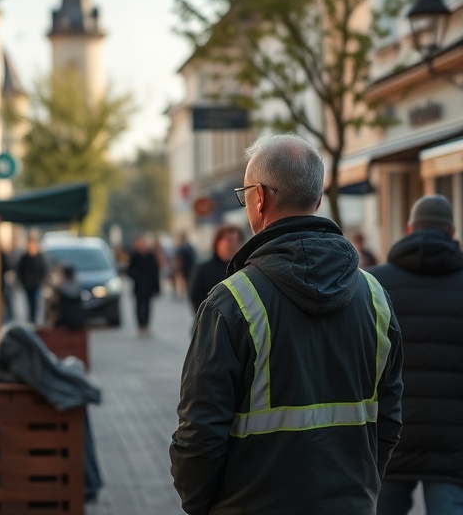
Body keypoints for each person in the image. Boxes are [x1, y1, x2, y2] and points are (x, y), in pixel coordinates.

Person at [170, 133, 403, 514]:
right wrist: (359, 487)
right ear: (318, 198)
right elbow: (389, 417)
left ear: (260, 197)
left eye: (244, 194)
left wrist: (202, 504)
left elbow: (199, 433)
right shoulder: (375, 296)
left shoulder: (231, 302)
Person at [367, 194, 463, 515]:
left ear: (409, 229)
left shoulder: (374, 285)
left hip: (389, 432)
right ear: (452, 232)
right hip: (457, 437)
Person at [187, 224, 242, 314]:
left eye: (237, 241)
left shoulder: (243, 270)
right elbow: (195, 297)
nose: (232, 245)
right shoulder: (204, 269)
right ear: (217, 242)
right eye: (229, 240)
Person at [126, 233, 161, 336]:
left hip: (148, 287)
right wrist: (136, 275)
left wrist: (157, 287)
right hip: (138, 286)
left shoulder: (151, 256)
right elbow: (129, 270)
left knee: (147, 306)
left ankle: (146, 325)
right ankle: (140, 325)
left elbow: (155, 273)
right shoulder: (135, 256)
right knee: (138, 306)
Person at [17, 230, 48, 324]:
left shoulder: (39, 257)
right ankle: (30, 318)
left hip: (36, 283)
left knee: (35, 302)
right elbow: (20, 270)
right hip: (27, 283)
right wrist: (22, 281)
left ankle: (33, 319)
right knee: (29, 301)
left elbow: (44, 269)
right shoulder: (25, 257)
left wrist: (41, 280)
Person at [172, 232, 197, 300]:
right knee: (182, 282)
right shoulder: (182, 247)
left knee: (187, 282)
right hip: (183, 268)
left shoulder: (187, 247)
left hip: (188, 268)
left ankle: (186, 294)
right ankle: (182, 294)